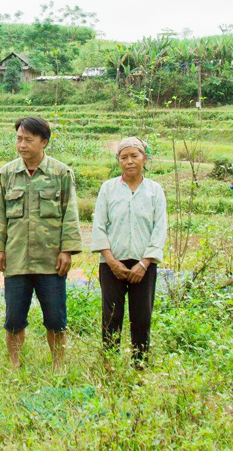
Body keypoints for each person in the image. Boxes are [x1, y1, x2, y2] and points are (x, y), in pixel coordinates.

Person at [0, 116, 82, 371]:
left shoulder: (61, 173)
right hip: (16, 259)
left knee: (55, 319)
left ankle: (58, 366)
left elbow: (70, 215)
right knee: (14, 319)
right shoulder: (7, 174)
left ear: (44, 142)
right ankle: (14, 365)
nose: (22, 144)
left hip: (51, 261)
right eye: (19, 138)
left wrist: (67, 251)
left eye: (28, 139)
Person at [90, 137, 167, 366]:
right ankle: (110, 364)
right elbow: (99, 226)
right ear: (118, 161)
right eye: (124, 157)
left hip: (144, 265)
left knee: (141, 317)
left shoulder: (155, 190)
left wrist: (144, 263)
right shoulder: (108, 188)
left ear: (145, 158)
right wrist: (112, 261)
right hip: (112, 264)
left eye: (135, 156)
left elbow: (159, 228)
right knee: (111, 315)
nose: (130, 161)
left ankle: (139, 364)